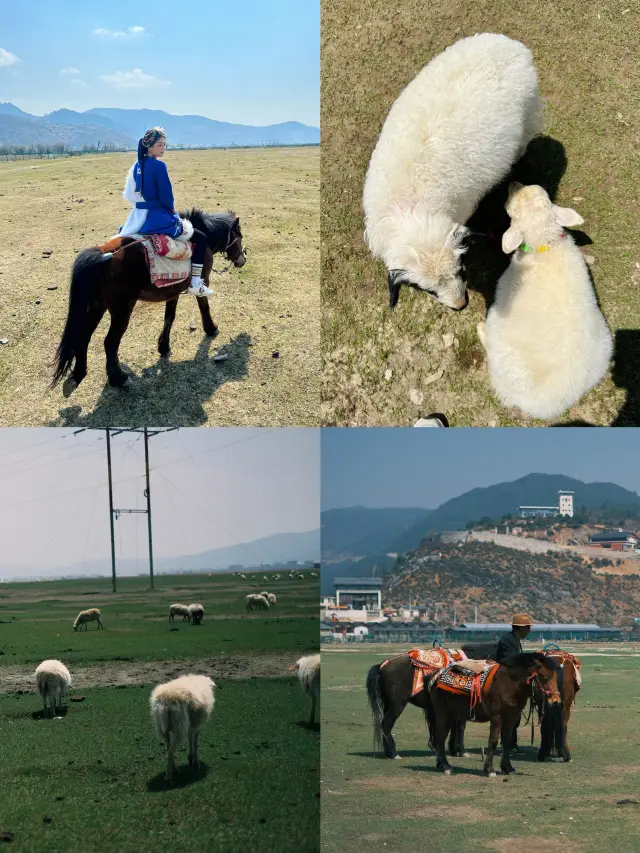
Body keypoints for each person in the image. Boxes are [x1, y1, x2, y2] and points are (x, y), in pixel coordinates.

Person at [120, 127, 212, 297]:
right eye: (160, 144)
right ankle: (196, 283)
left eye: (164, 144)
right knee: (201, 237)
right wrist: (172, 211)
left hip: (137, 218)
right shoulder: (159, 166)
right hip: (157, 218)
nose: (163, 148)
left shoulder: (136, 166)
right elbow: (167, 197)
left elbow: (129, 194)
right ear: (149, 146)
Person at [495, 613, 533, 752]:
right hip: (505, 682)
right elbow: (511, 660)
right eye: (528, 627)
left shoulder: (514, 639)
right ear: (520, 628)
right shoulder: (508, 640)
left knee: (514, 716)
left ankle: (512, 744)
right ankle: (508, 744)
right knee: (509, 715)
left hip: (511, 680)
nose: (529, 630)